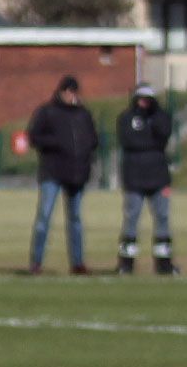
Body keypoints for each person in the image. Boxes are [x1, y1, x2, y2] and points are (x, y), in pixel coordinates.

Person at [26, 74, 99, 275]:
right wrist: (56, 144)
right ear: (60, 92)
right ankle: (36, 262)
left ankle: (77, 262)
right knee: (44, 218)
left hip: (76, 174)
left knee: (75, 219)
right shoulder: (47, 112)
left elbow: (93, 139)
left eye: (73, 91)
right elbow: (34, 136)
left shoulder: (83, 114)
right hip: (53, 171)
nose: (70, 95)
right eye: (67, 91)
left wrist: (84, 158)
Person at [114, 83, 177, 276]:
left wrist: (150, 130)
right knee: (131, 218)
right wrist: (148, 140)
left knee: (163, 217)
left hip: (158, 176)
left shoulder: (160, 117)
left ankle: (164, 264)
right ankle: (126, 264)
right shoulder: (126, 118)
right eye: (140, 98)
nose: (144, 103)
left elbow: (163, 136)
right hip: (134, 176)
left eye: (147, 99)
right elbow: (129, 141)